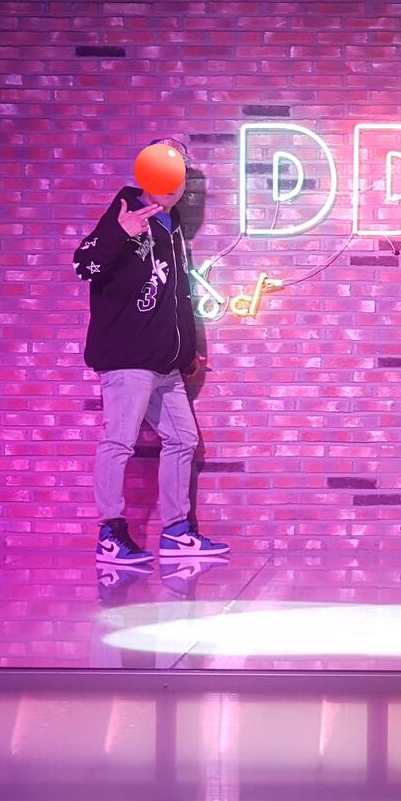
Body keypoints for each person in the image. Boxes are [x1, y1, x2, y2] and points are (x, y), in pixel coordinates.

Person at [74, 138, 230, 588]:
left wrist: (187, 350)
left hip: (164, 364)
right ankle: (110, 535)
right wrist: (117, 236)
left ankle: (177, 533)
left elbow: (176, 296)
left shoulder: (171, 225)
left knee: (183, 440)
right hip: (128, 359)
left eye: (179, 168)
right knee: (119, 443)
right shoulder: (126, 211)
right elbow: (84, 266)